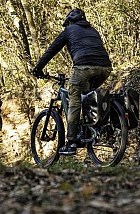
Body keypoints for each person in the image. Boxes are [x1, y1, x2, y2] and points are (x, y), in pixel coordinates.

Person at [33, 8, 112, 155]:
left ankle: (71, 142)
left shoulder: (68, 30)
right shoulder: (93, 30)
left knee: (74, 102)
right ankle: (96, 128)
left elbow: (51, 50)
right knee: (88, 96)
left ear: (69, 21)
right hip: (105, 69)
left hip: (83, 68)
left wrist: (38, 68)